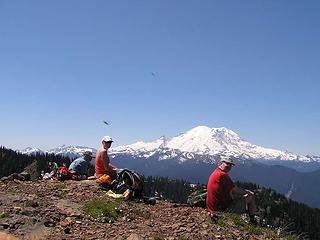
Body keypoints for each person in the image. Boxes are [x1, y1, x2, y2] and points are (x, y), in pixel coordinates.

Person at [206, 156, 258, 223]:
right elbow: (235, 190)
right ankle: (252, 220)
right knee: (250, 197)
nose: (229, 166)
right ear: (220, 163)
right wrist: (248, 192)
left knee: (239, 197)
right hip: (222, 209)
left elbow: (230, 191)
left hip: (214, 207)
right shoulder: (222, 175)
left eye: (231, 165)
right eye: (227, 164)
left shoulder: (216, 172)